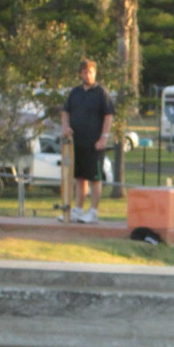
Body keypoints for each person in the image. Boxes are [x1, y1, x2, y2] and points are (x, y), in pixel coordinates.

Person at [60, 58, 115, 223]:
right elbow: (65, 112)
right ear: (80, 74)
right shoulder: (75, 93)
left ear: (95, 73)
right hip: (77, 143)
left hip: (95, 144)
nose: (87, 75)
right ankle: (77, 209)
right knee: (79, 178)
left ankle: (93, 212)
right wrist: (65, 127)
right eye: (84, 72)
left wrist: (103, 137)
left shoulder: (101, 93)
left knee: (94, 178)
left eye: (90, 72)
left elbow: (109, 115)